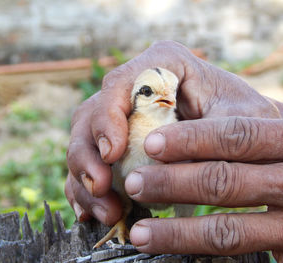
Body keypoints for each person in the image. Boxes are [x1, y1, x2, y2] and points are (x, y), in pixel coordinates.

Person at [65, 40, 283, 261]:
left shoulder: (184, 133)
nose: (167, 97)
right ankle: (122, 221)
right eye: (149, 92)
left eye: (172, 92)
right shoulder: (129, 133)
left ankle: (188, 241)